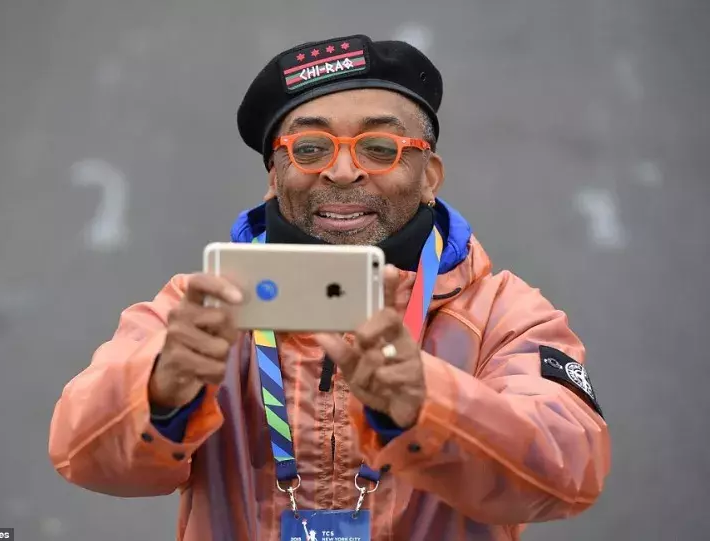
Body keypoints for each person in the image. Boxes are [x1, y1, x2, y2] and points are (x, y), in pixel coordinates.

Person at [48, 34, 611, 540]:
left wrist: (427, 403)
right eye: (310, 148)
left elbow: (569, 472)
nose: (342, 172)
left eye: (380, 148)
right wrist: (160, 390)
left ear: (430, 177)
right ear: (274, 176)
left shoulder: (504, 314)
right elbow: (80, 454)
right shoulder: (201, 311)